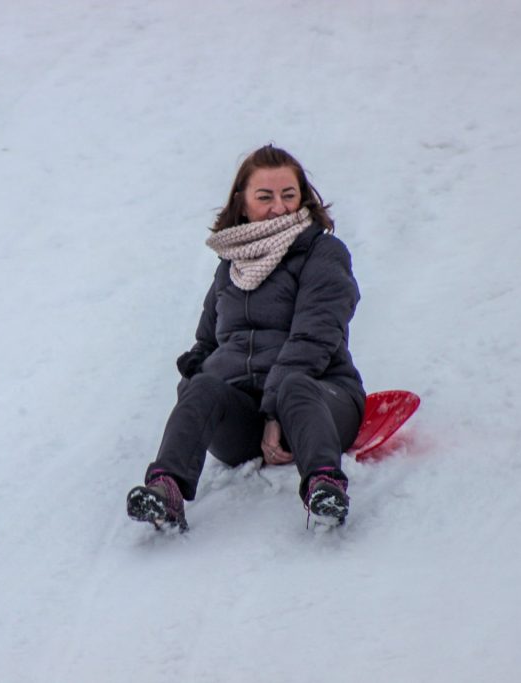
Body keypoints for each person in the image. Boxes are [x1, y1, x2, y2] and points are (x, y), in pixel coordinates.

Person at [126, 144, 365, 531]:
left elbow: (314, 338)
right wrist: (194, 377)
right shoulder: (231, 266)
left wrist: (274, 412)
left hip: (319, 404)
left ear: (303, 197)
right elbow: (207, 342)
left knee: (297, 387)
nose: (279, 207)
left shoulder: (323, 254)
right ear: (242, 202)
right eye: (265, 196)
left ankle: (325, 485)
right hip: (245, 417)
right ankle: (165, 490)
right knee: (202, 385)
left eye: (289, 195)